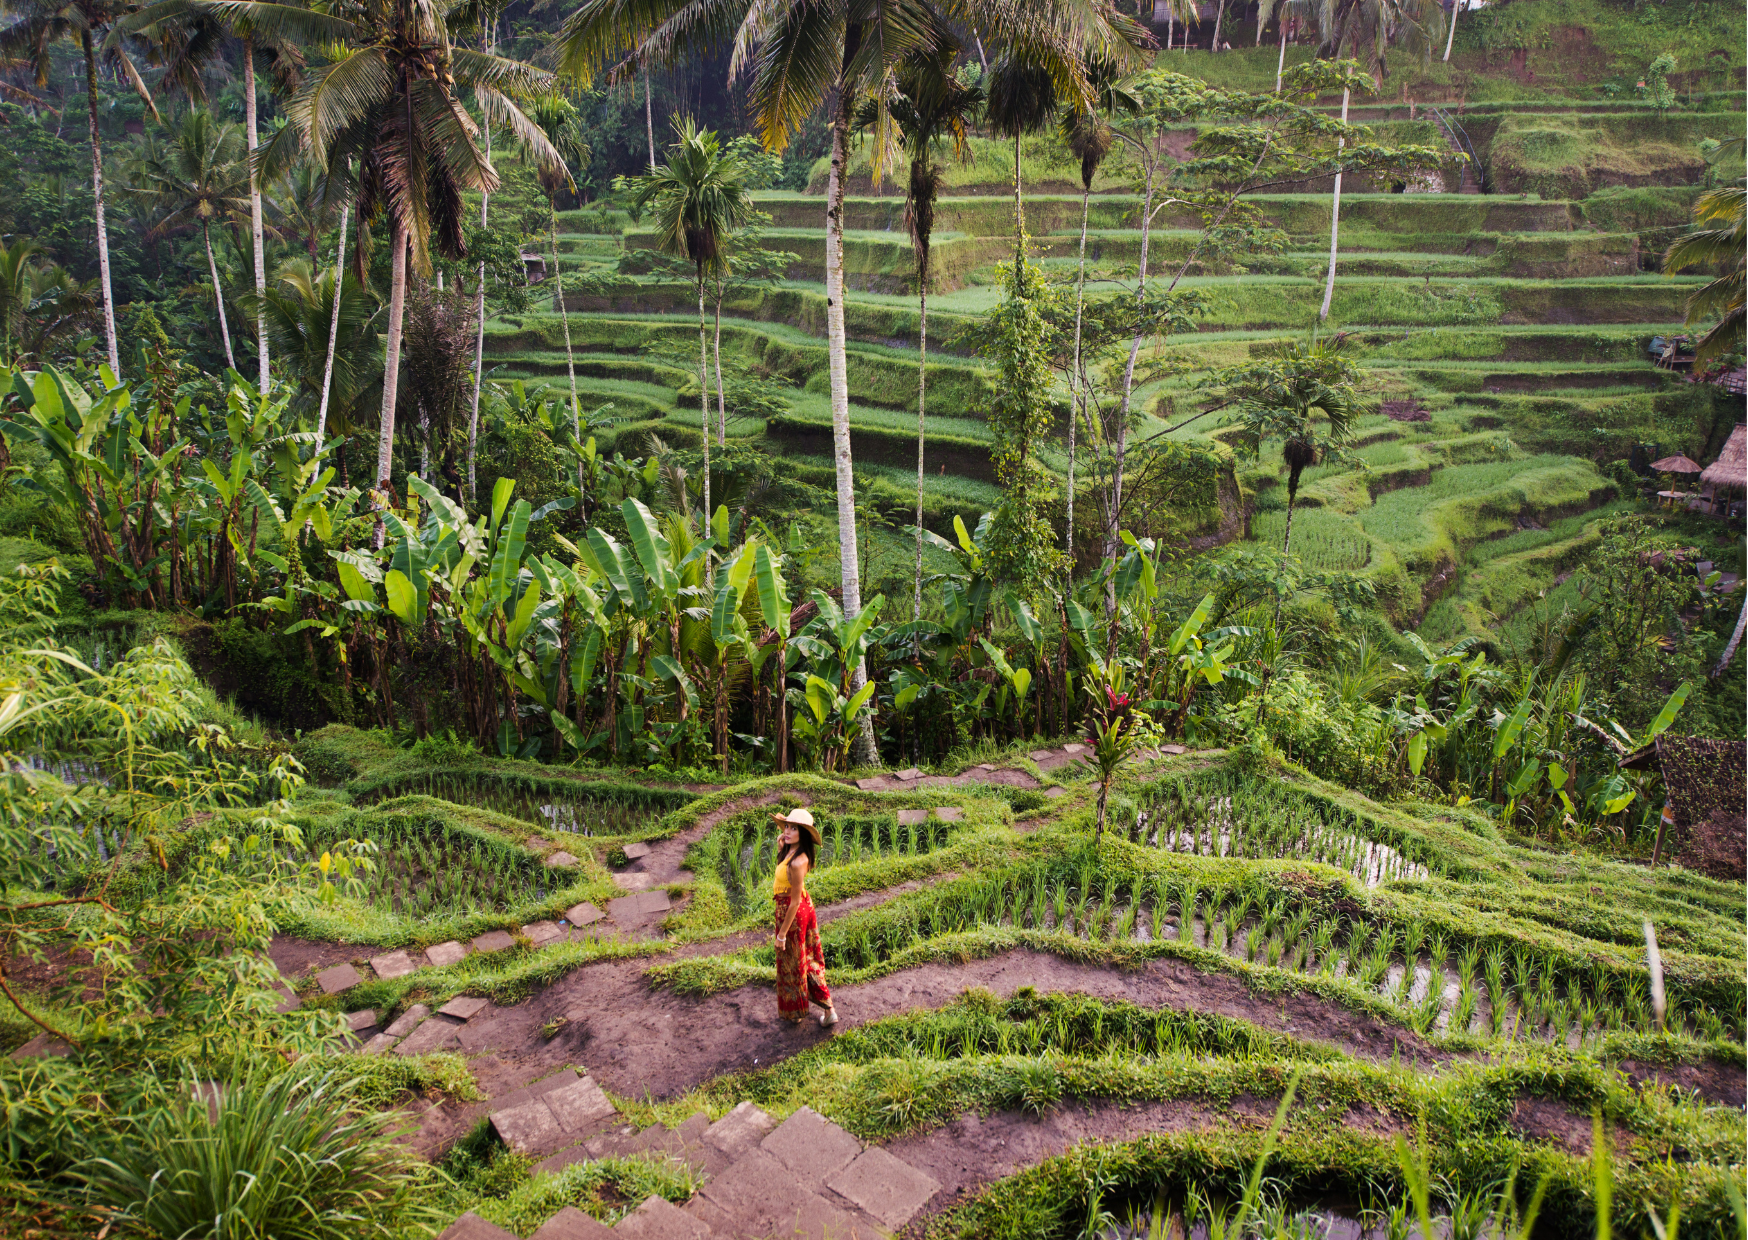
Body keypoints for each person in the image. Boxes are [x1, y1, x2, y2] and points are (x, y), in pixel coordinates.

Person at [770, 807, 838, 1027]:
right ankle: (797, 1010)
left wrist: (781, 934)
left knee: (800, 961)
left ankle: (828, 1010)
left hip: (794, 912)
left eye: (794, 829)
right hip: (791, 908)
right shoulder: (790, 851)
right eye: (787, 827)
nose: (787, 831)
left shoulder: (799, 861)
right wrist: (783, 844)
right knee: (795, 961)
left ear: (804, 834)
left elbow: (796, 901)